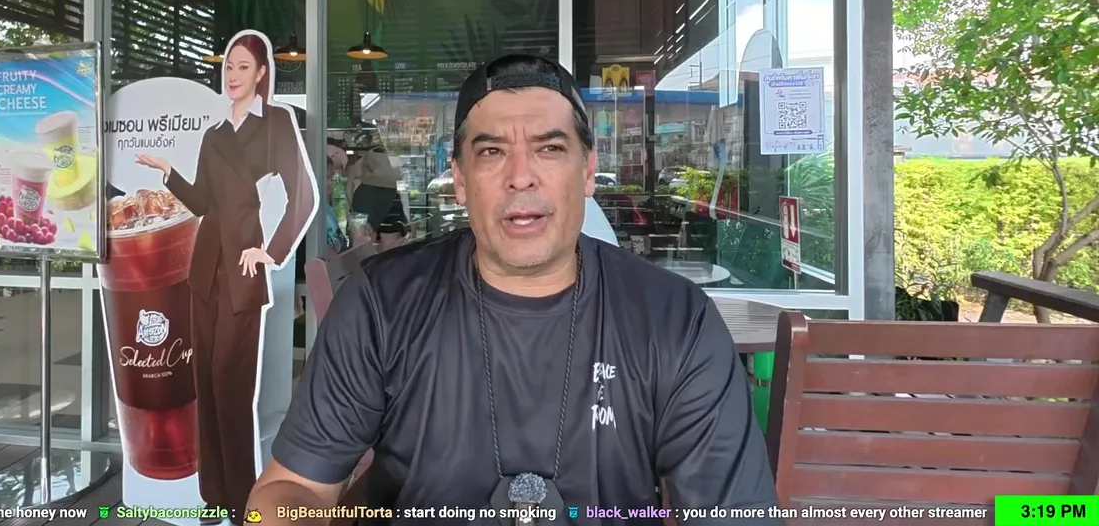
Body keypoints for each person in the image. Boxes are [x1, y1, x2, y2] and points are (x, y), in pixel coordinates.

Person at [249, 54, 779, 524]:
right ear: (460, 180)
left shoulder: (676, 320)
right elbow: (289, 489)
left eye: (549, 148)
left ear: (588, 171)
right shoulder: (379, 306)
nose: (521, 177)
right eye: (491, 152)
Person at [136, 31, 316, 526]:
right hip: (205, 271)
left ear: (262, 74)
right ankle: (213, 498)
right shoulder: (214, 134)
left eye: (242, 67)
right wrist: (168, 171)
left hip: (242, 271)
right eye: (228, 67)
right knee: (207, 387)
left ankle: (242, 505)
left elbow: (302, 196)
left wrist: (271, 251)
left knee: (231, 389)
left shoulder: (276, 123)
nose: (232, 76)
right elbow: (201, 203)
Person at [345, 129, 409, 250]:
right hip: (391, 196)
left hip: (364, 198)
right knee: (390, 246)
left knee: (363, 246)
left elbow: (350, 184)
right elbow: (391, 244)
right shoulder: (394, 160)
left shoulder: (365, 160)